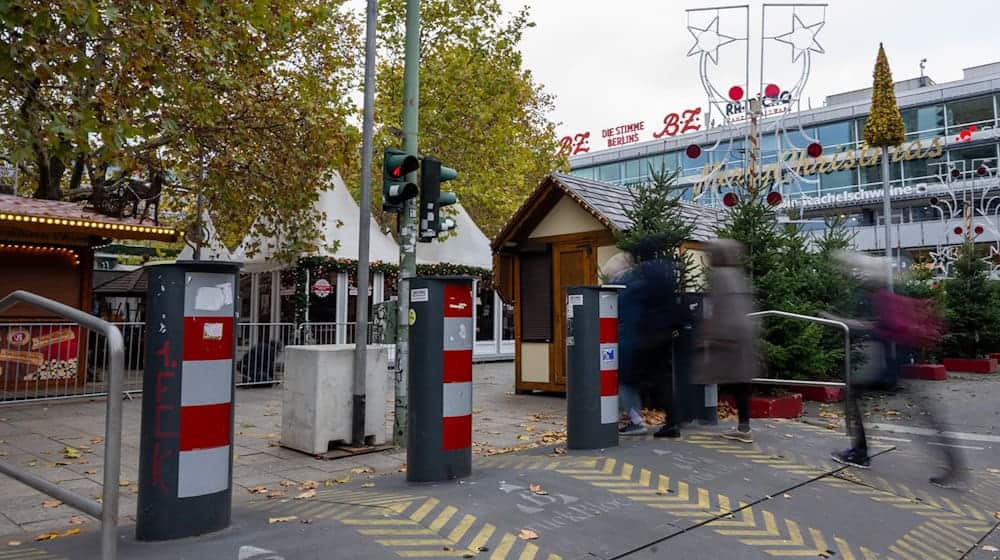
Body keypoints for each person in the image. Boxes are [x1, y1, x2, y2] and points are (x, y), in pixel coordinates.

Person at [826, 251, 965, 487]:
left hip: (885, 364)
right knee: (922, 417)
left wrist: (853, 325)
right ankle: (953, 464)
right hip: (900, 362)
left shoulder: (877, 297)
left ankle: (860, 452)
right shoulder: (890, 293)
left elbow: (885, 326)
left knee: (857, 396)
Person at [692, 239, 758, 443]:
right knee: (741, 382)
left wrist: (707, 335)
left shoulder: (719, 276)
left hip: (727, 336)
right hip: (743, 334)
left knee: (712, 375)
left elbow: (718, 306)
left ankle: (741, 427)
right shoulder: (738, 274)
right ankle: (744, 426)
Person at [632, 238, 685, 438]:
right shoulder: (665, 270)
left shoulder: (645, 273)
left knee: (654, 377)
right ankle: (673, 418)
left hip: (652, 332)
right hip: (666, 330)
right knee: (662, 375)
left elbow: (642, 301)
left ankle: (671, 421)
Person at [605, 252, 647, 435]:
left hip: (624, 340)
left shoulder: (618, 286)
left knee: (622, 381)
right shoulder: (640, 283)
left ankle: (635, 419)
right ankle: (633, 416)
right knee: (629, 382)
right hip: (640, 339)